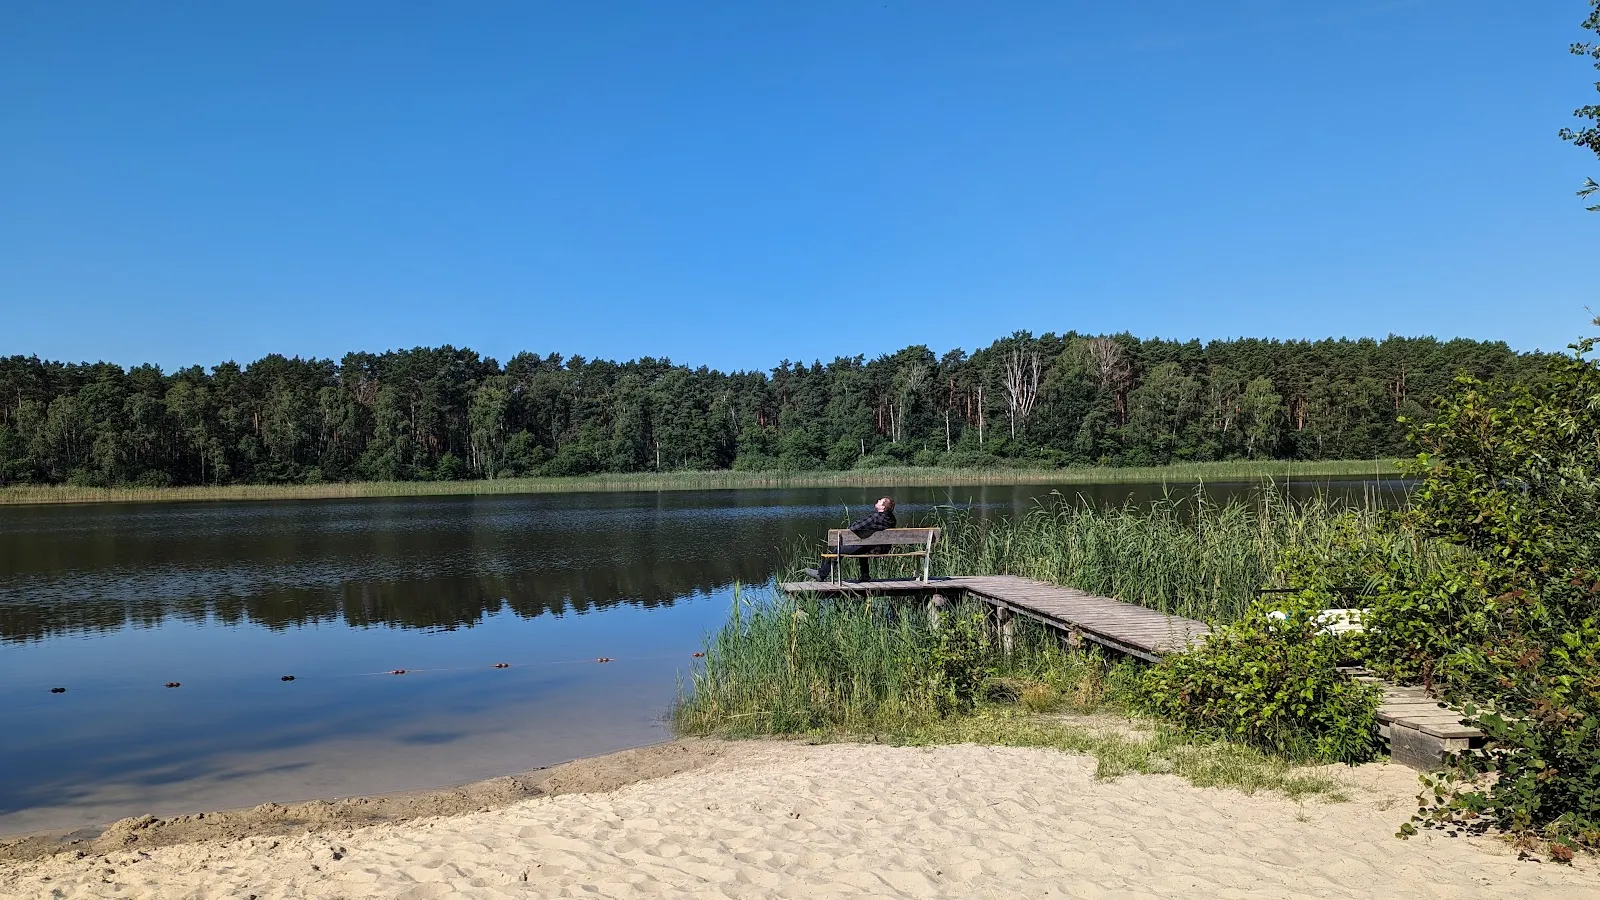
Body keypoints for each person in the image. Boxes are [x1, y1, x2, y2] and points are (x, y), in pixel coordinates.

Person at [808, 496, 896, 582]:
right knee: (863, 548)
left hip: (870, 548)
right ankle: (865, 575)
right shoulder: (892, 519)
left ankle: (821, 574)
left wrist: (853, 525)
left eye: (881, 501)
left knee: (838, 550)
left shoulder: (875, 517)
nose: (878, 500)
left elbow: (854, 528)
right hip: (881, 549)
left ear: (883, 507)